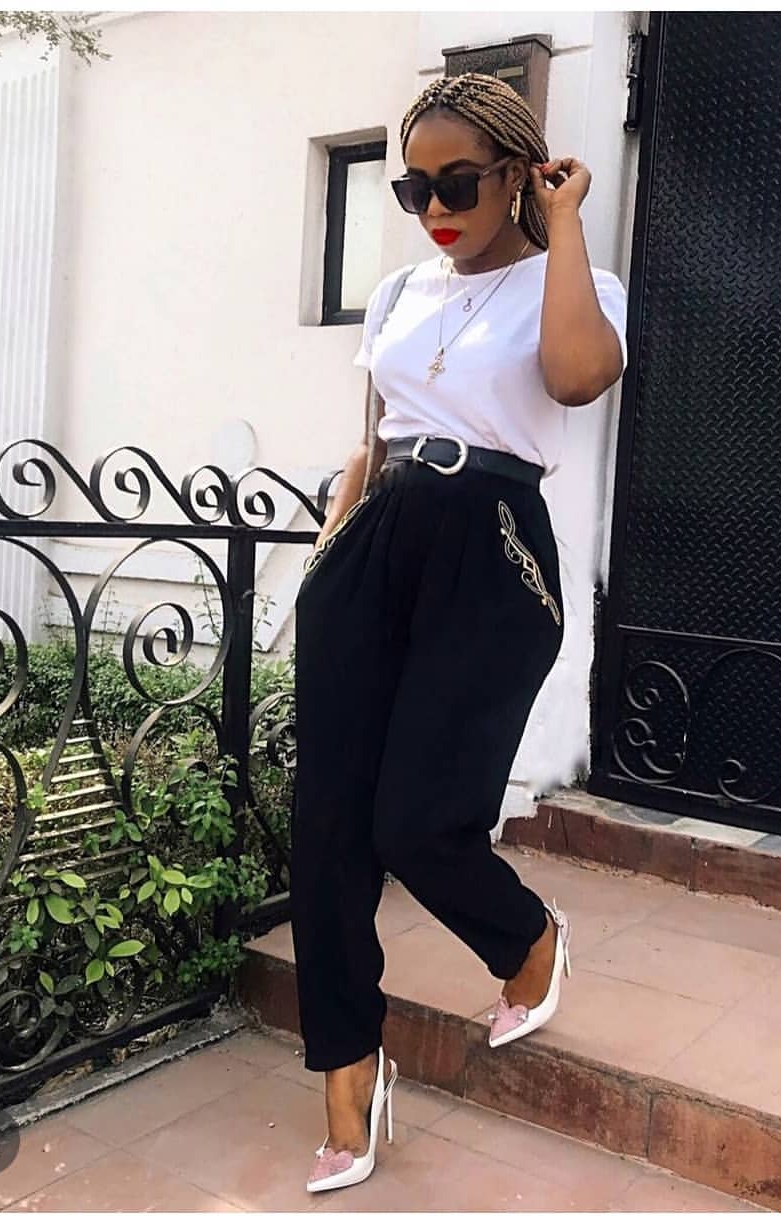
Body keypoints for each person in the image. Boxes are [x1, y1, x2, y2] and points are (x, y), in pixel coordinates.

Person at [291, 71, 627, 1193]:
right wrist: (327, 559)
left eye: (461, 183)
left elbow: (577, 379)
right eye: (414, 187)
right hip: (375, 541)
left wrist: (564, 222)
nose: (435, 206)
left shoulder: (575, 281)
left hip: (493, 546)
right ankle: (348, 1075)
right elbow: (375, 435)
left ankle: (528, 940)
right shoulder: (398, 293)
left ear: (518, 172)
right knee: (328, 827)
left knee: (419, 821)